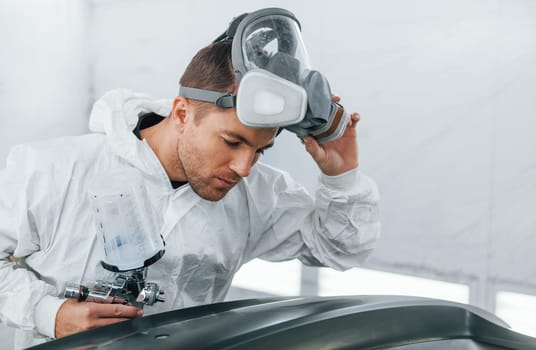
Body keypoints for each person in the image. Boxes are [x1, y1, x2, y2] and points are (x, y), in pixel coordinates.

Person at [0, 8, 380, 349]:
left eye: (260, 150)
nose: (244, 167)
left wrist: (341, 175)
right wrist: (47, 313)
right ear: (182, 113)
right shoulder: (50, 168)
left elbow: (339, 249)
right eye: (232, 141)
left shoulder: (256, 195)